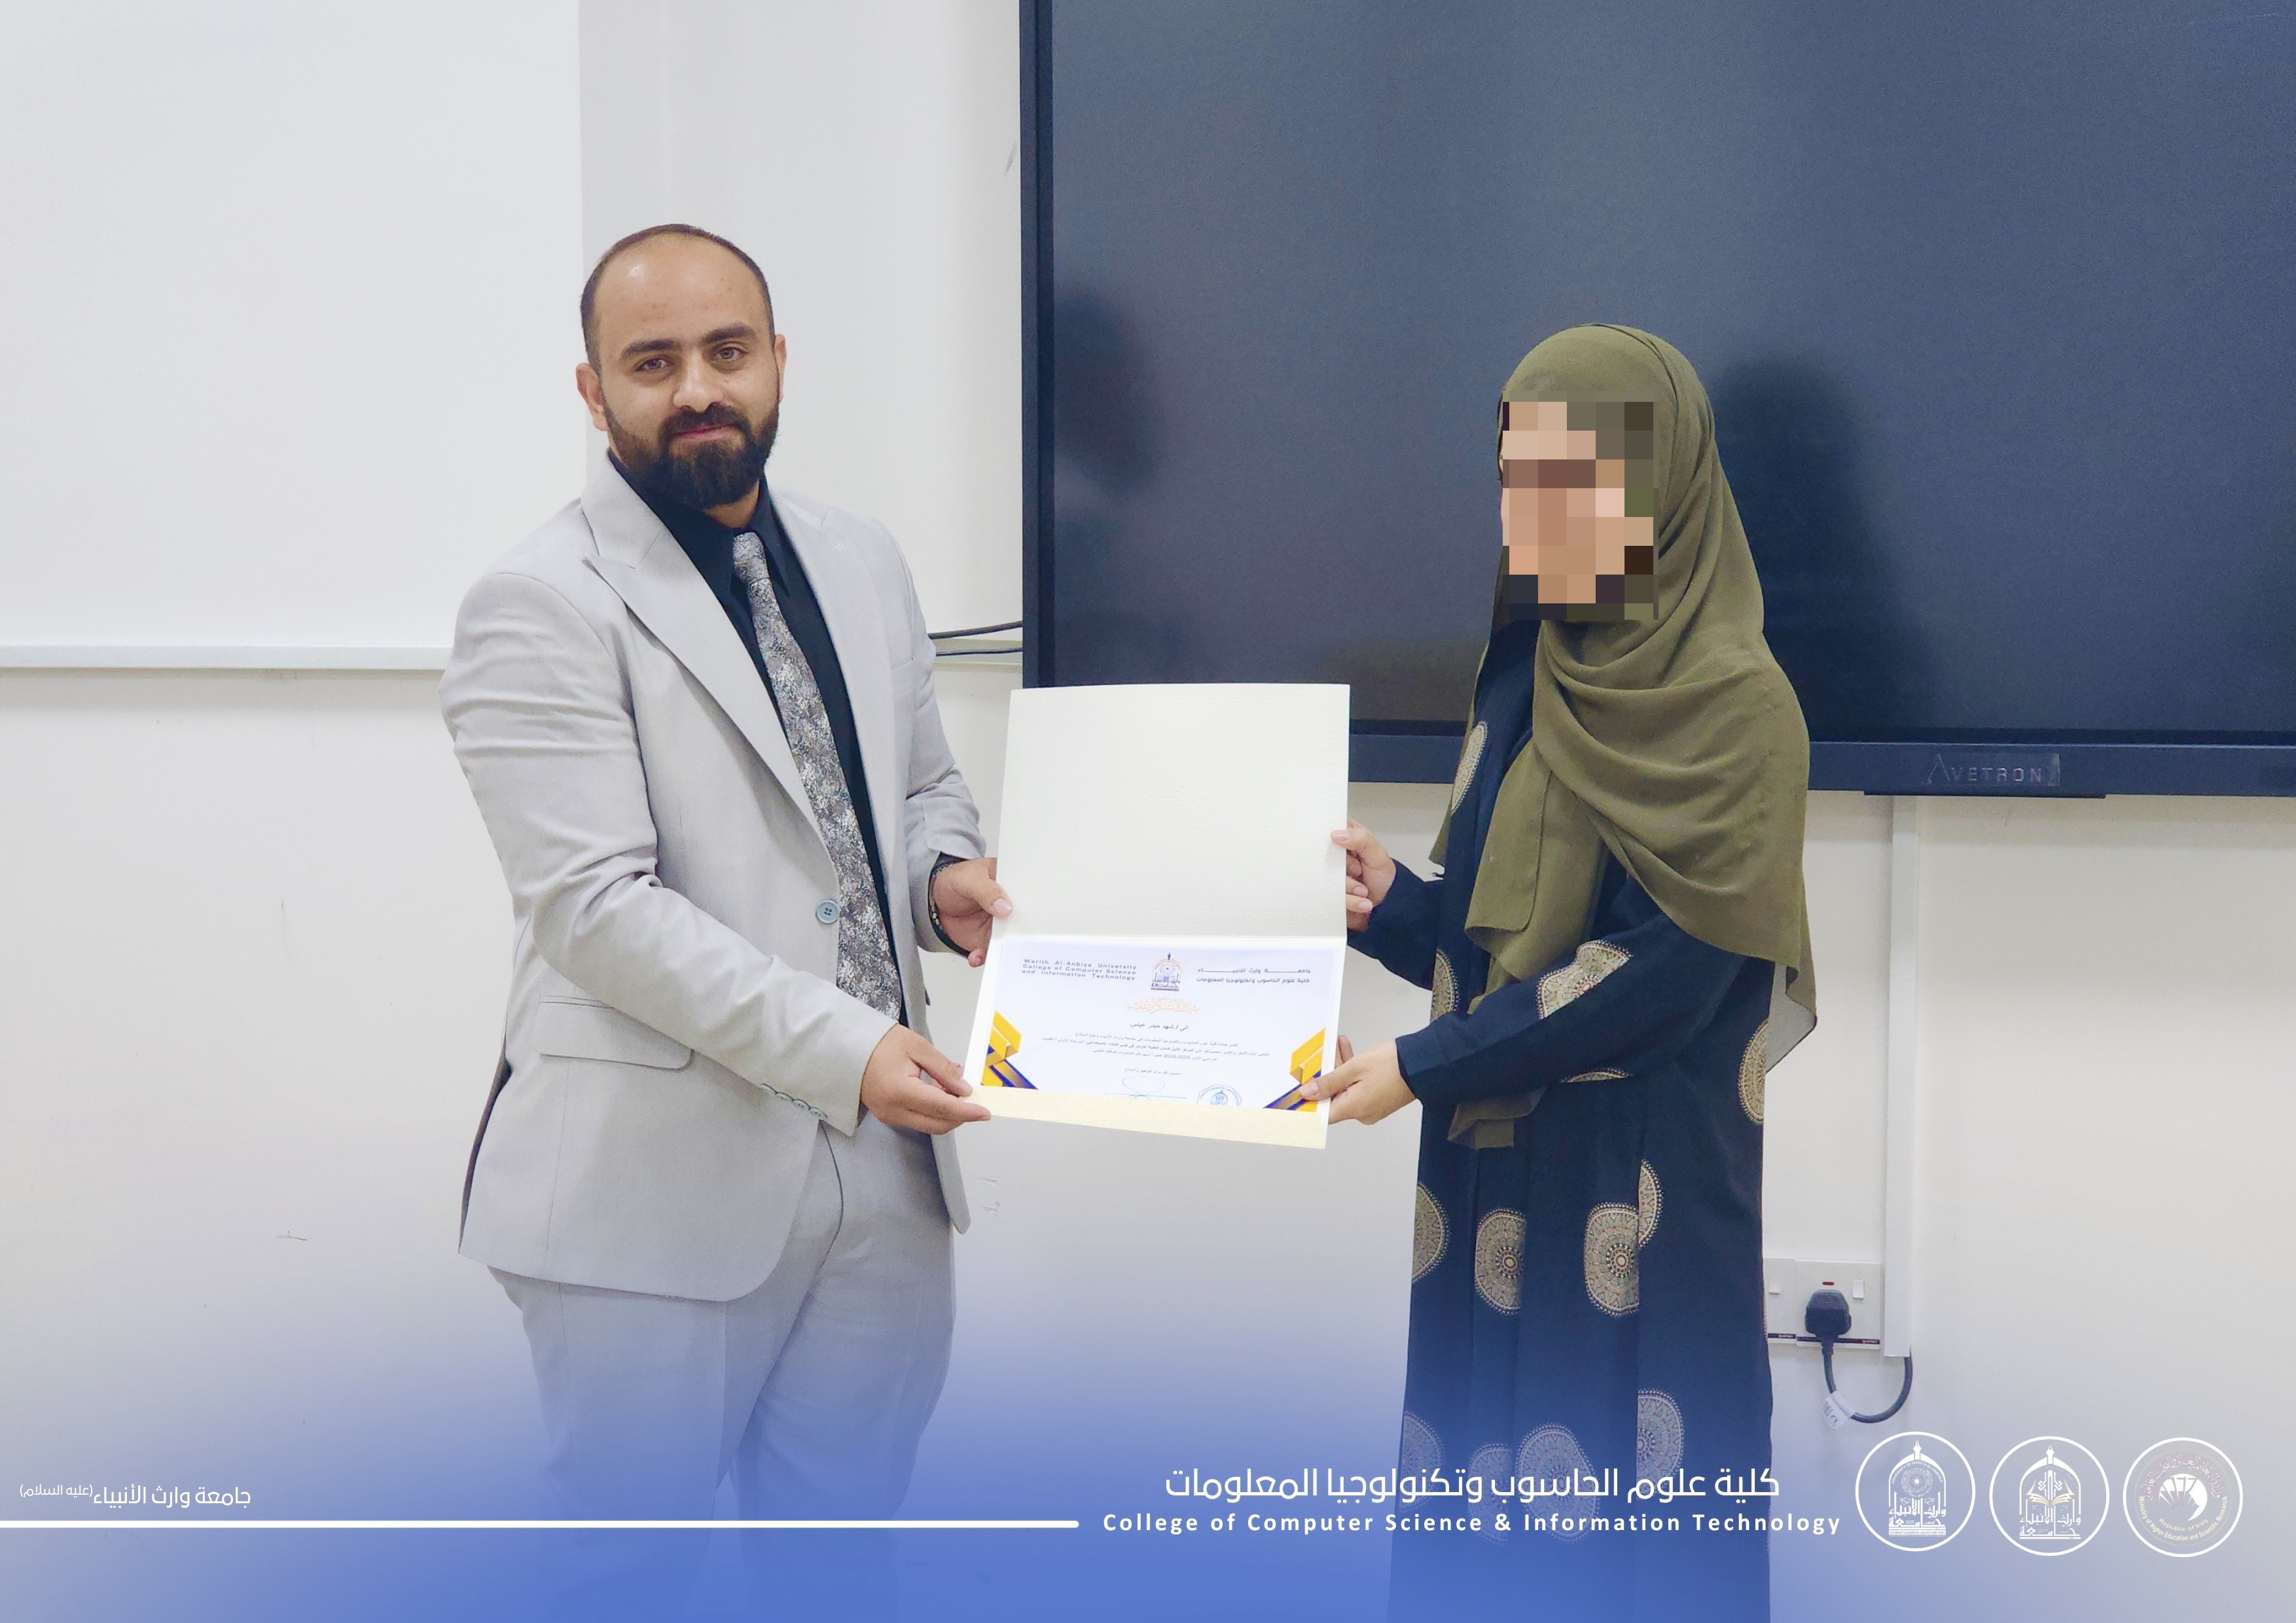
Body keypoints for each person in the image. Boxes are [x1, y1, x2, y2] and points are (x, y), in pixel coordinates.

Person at [439, 223, 1009, 1619]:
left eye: (726, 351)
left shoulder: (861, 557)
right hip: (650, 1191)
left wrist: (942, 878)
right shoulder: (538, 600)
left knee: (838, 1571)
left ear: (777, 362)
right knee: (624, 1580)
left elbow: (914, 787)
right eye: (653, 363)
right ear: (594, 392)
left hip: (885, 1174)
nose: (698, 388)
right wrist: (846, 1049)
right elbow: (594, 910)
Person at [1306, 325, 1816, 1622]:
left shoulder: (1739, 707)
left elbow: (1662, 974)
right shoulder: (1521, 683)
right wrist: (1388, 904)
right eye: (1516, 478)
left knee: (1632, 1556)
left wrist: (1422, 1065)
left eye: (1576, 479)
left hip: (1636, 1198)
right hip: (1484, 1179)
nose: (1533, 515)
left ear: (1658, 490)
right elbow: (1497, 943)